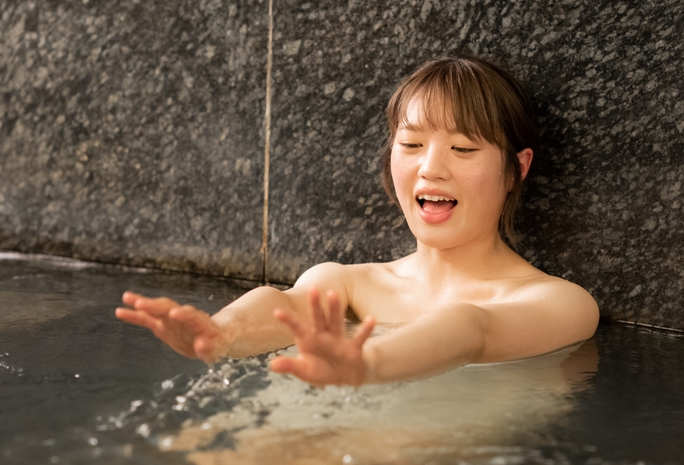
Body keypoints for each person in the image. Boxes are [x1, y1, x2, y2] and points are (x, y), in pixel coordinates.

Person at [115, 55, 599, 386]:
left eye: (464, 148)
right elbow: (286, 307)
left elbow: (471, 330)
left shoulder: (560, 304)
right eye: (411, 145)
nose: (430, 167)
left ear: (518, 167)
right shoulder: (351, 284)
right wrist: (220, 335)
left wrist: (368, 364)